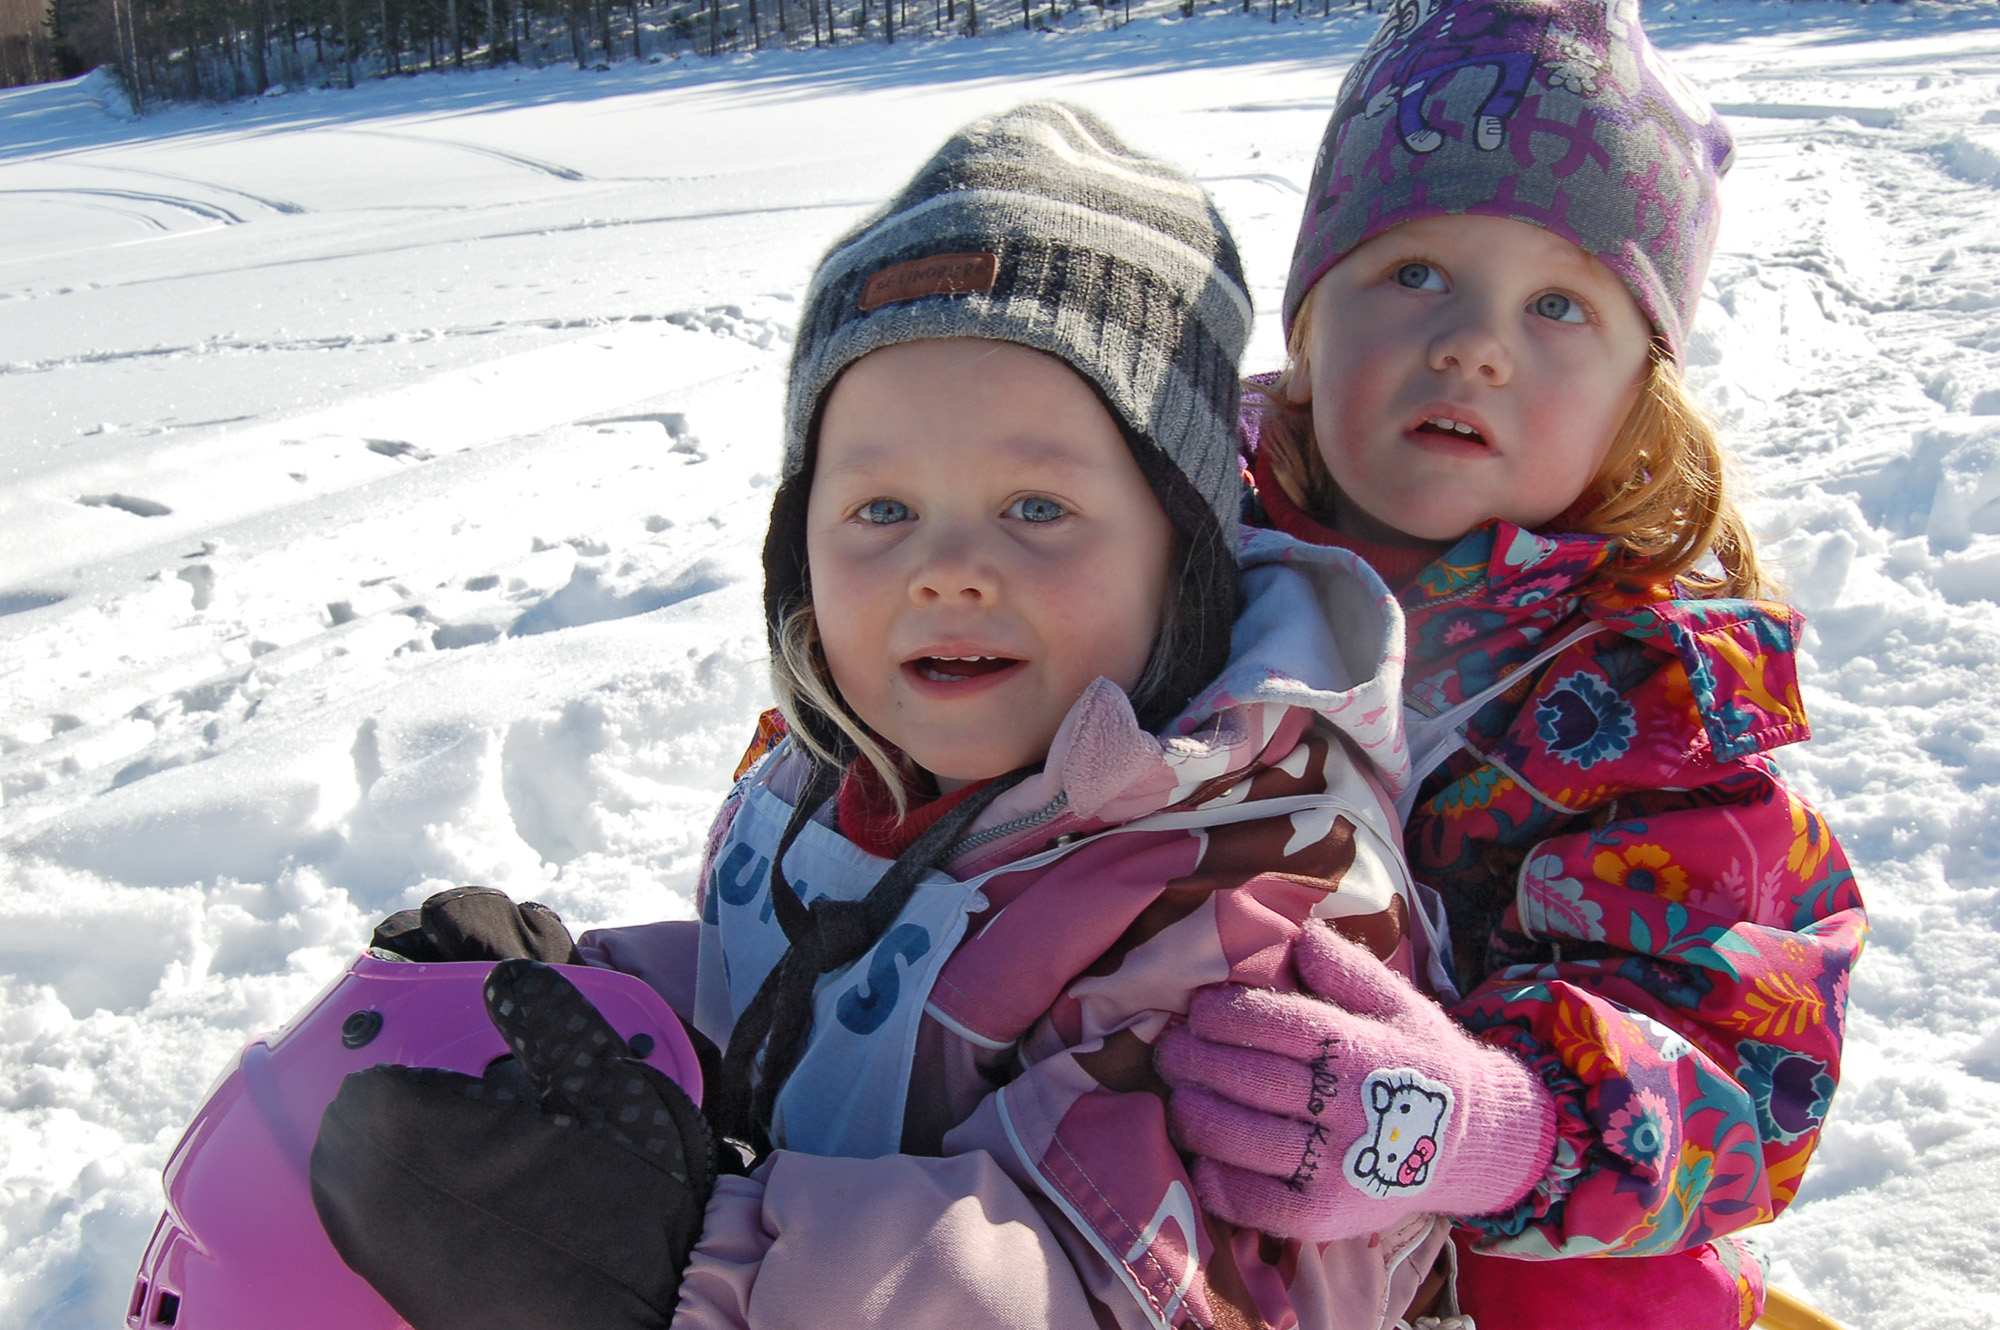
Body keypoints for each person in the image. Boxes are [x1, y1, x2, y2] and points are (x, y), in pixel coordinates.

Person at [313, 101, 1517, 1330]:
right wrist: (596, 1011)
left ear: (1183, 557)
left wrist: (690, 1261)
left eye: (1036, 508)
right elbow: (807, 1012)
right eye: (880, 510)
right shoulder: (829, 779)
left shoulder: (1254, 896)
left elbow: (1160, 1292)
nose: (945, 570)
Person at [1150, 3, 1868, 1328]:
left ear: (1637, 402)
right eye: (1413, 270)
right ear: (1310, 326)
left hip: (1507, 1245)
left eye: (1556, 305)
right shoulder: (1168, 556)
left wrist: (1484, 1130)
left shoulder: (1650, 700)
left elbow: (1742, 1068)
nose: (1473, 343)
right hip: (1185, 1169)